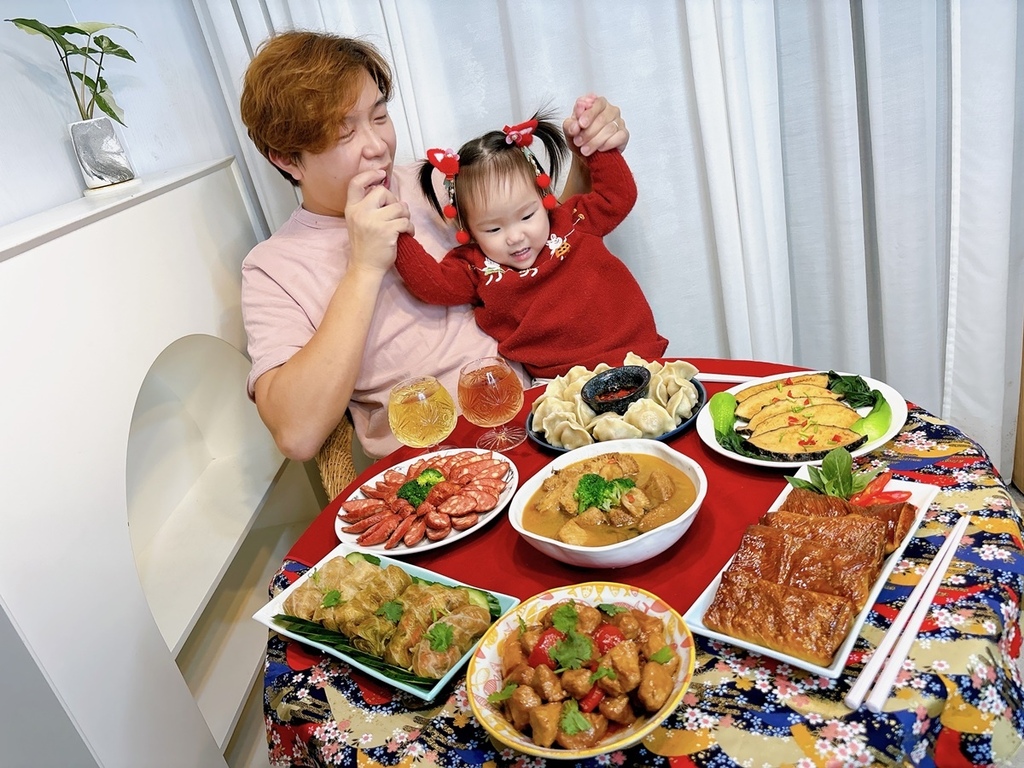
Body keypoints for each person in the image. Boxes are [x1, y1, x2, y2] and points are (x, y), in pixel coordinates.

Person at [239, 30, 631, 460]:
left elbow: (548, 245)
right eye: (342, 133)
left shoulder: (435, 181)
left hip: (542, 416)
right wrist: (364, 269)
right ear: (287, 158)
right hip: (437, 463)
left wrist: (591, 152)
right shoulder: (272, 268)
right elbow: (297, 435)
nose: (377, 148)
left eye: (379, 116)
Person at [393, 111, 667, 379]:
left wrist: (596, 148)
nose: (515, 237)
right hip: (560, 389)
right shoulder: (476, 266)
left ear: (544, 196)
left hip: (638, 359)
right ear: (468, 231)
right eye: (493, 228)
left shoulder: (572, 222)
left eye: (527, 216)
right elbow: (433, 284)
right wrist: (397, 233)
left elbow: (618, 195)